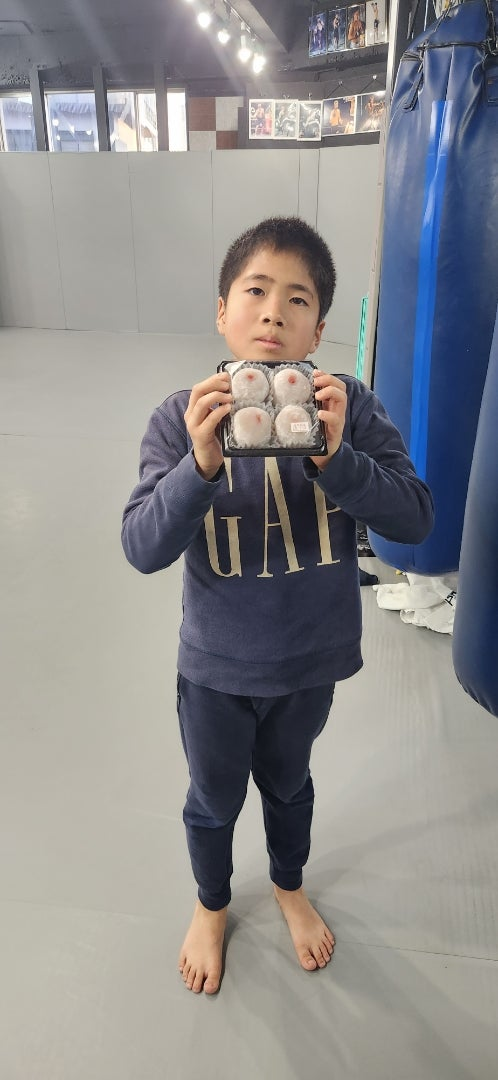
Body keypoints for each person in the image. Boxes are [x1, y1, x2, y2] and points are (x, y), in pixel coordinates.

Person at [121, 217, 434, 995]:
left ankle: (288, 885)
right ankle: (212, 902)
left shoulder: (349, 408)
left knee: (290, 786)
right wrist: (198, 466)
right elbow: (143, 546)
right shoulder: (181, 417)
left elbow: (416, 520)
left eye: (297, 299)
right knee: (213, 798)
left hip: (308, 666)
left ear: (318, 330)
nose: (273, 311)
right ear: (222, 310)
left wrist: (338, 459)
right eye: (255, 291)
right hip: (216, 671)